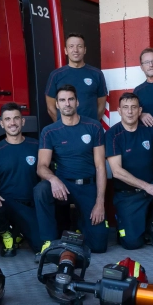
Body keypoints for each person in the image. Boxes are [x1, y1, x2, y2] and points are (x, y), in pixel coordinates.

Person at [35, 84, 109, 257]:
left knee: (98, 246)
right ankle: (48, 243)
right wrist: (54, 180)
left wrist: (100, 202)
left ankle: (79, 228)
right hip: (63, 187)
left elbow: (100, 166)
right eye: (62, 100)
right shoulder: (49, 132)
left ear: (77, 102)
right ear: (57, 105)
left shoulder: (93, 126)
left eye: (70, 99)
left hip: (87, 186)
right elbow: (41, 166)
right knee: (41, 190)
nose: (67, 103)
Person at [105, 93, 153, 249]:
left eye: (134, 107)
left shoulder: (148, 130)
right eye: (125, 108)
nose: (130, 112)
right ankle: (126, 220)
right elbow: (117, 171)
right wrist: (147, 187)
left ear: (140, 110)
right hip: (129, 195)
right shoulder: (113, 135)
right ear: (119, 111)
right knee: (132, 243)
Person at [0, 102, 43, 258]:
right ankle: (7, 234)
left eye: (16, 118)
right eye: (7, 119)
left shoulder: (36, 146)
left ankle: (19, 232)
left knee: (41, 247)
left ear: (23, 121)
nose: (12, 123)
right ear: (2, 124)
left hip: (31, 205)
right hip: (7, 204)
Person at [45, 33, 107, 122]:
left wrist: (92, 125)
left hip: (90, 130)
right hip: (65, 131)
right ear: (66, 51)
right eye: (71, 46)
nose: (75, 50)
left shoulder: (97, 74)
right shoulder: (55, 75)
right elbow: (50, 108)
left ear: (85, 50)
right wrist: (63, 125)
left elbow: (101, 105)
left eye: (79, 46)